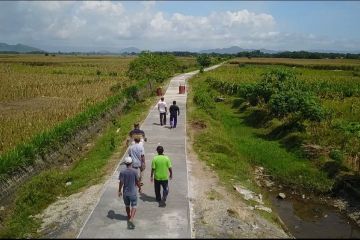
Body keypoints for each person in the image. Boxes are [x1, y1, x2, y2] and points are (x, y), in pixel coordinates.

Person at [118, 156, 141, 229]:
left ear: (125, 163)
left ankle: (128, 216)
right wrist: (140, 188)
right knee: (134, 206)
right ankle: (131, 218)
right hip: (133, 192)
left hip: (125, 193)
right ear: (131, 163)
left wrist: (119, 191)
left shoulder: (122, 172)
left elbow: (121, 182)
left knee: (127, 206)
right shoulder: (135, 171)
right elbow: (137, 182)